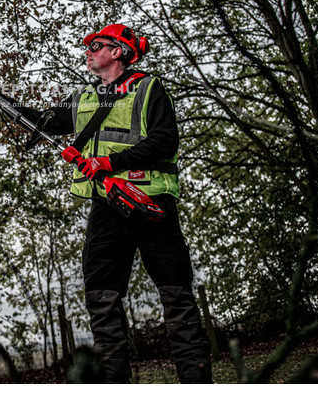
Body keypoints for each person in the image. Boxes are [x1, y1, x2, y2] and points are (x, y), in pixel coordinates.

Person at [21, 23, 212, 384]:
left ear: (118, 52)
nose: (88, 50)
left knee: (176, 292)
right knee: (100, 292)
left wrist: (111, 163)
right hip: (108, 207)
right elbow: (43, 120)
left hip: (151, 201)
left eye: (97, 45)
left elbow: (165, 141)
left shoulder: (149, 88)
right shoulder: (82, 97)